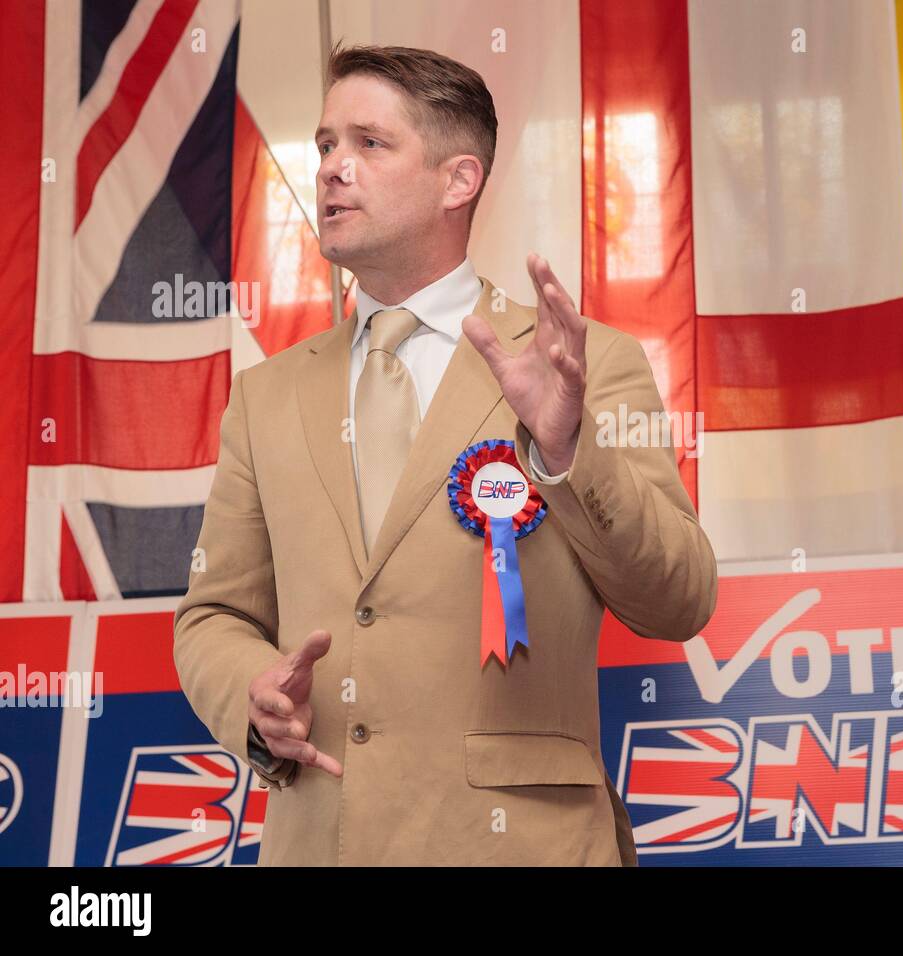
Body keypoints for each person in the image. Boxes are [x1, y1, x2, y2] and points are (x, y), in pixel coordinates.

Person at [172, 44, 717, 866]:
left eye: (368, 144)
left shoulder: (583, 362)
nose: (332, 170)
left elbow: (681, 598)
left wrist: (567, 450)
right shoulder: (264, 397)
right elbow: (214, 615)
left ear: (458, 181)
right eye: (324, 146)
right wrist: (249, 696)